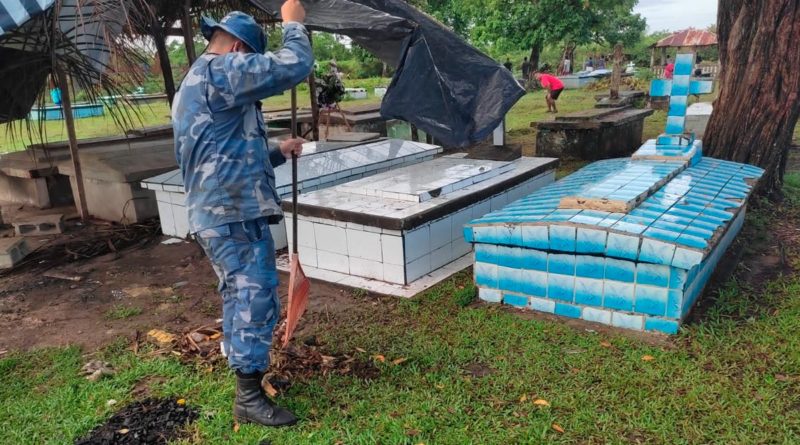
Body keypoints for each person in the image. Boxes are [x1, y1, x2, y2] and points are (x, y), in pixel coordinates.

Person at [172, 1, 313, 428]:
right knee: (255, 296)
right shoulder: (221, 70)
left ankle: (248, 382)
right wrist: (293, 25)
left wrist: (276, 151)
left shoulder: (199, 81)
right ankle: (248, 398)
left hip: (221, 209)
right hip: (231, 213)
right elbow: (293, 65)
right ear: (237, 50)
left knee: (239, 294)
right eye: (251, 61)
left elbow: (222, 153)